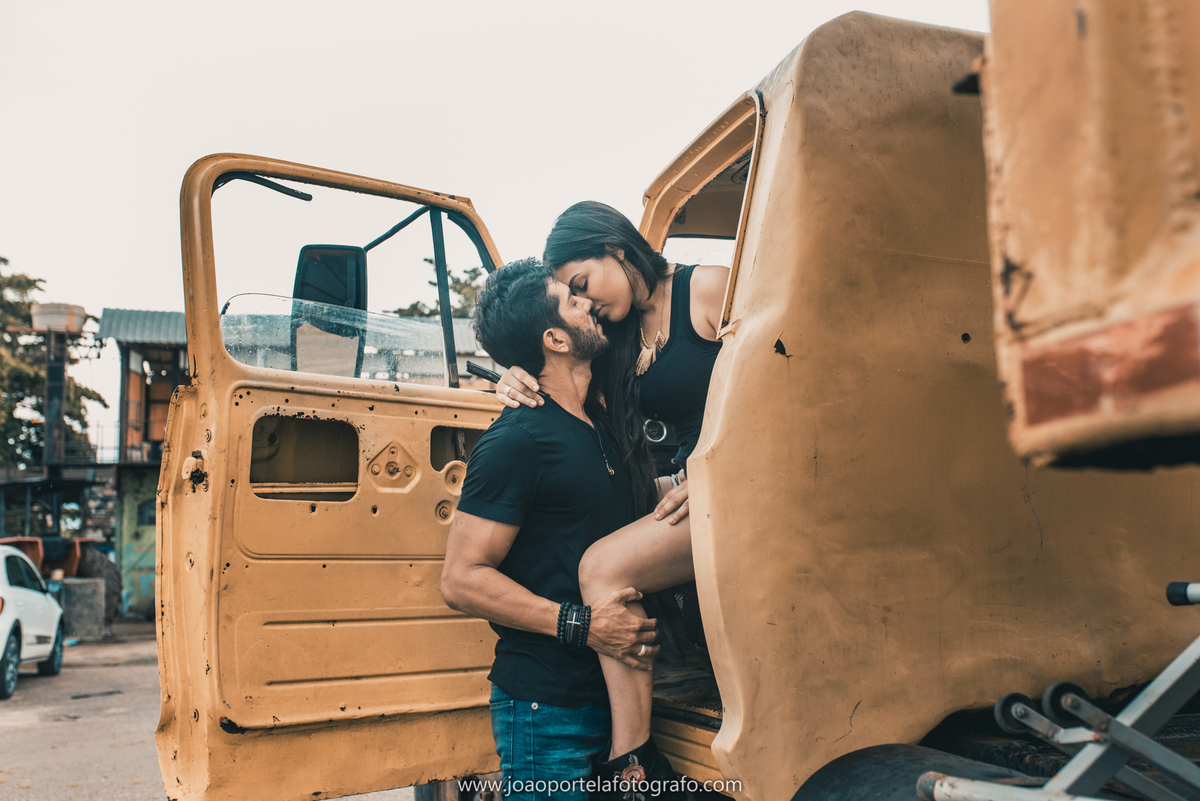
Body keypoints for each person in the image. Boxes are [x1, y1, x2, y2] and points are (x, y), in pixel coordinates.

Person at [494, 202, 729, 791]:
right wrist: (514, 374)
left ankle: (630, 761)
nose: (585, 302)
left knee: (603, 567)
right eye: (571, 296)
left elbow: (786, 378)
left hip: (731, 480)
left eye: (581, 283)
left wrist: (716, 468)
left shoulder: (708, 288)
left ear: (616, 249)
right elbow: (560, 371)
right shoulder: (611, 334)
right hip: (669, 491)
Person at [439, 257, 665, 801]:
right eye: (571, 300)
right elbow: (461, 580)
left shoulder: (600, 427)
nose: (587, 303)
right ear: (556, 340)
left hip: (613, 698)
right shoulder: (516, 440)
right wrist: (581, 625)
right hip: (547, 711)